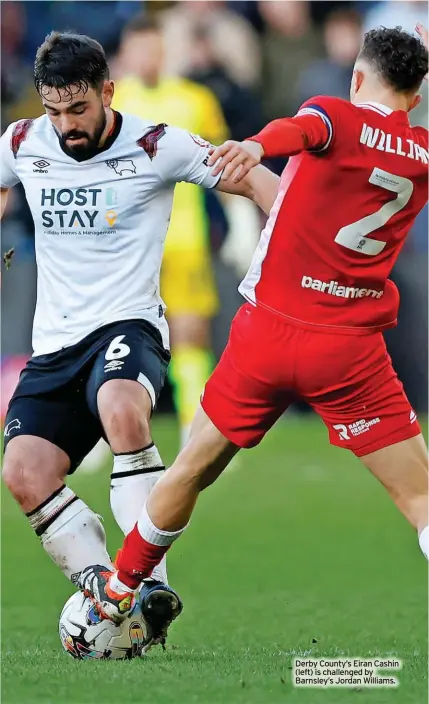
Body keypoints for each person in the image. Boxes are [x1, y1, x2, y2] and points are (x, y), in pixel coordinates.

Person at [79, 25, 429, 623]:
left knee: (190, 470)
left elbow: (302, 131)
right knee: (421, 498)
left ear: (356, 79)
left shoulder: (333, 114)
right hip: (349, 350)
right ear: (417, 98)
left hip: (268, 334)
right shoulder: (421, 154)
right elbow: (311, 197)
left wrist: (258, 145)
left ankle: (117, 589)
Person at [0, 31, 279, 647]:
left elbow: (250, 179)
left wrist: (290, 230)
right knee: (21, 472)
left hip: (129, 326)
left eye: (79, 109)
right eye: (54, 110)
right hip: (54, 343)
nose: (66, 124)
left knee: (121, 406)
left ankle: (149, 578)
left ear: (107, 91)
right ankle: (113, 592)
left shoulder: (156, 144)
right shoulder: (23, 142)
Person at [114, 14, 228, 449]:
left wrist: (237, 221)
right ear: (126, 54)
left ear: (165, 51)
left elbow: (221, 160)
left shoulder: (195, 99)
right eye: (139, 48)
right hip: (127, 241)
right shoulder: (113, 100)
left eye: (154, 48)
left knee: (190, 332)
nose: (147, 57)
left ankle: (194, 429)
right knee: (115, 333)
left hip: (185, 237)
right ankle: (105, 435)